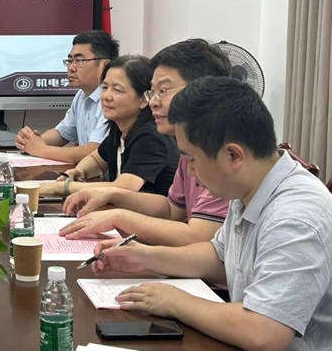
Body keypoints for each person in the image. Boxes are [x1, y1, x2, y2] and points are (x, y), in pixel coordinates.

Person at [91, 78, 332, 351]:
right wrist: (144, 256)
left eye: (192, 159)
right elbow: (220, 256)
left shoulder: (295, 217)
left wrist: (175, 301)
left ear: (234, 155)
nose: (190, 172)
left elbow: (265, 332)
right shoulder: (252, 186)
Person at [59, 39, 231, 246]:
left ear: (203, 91)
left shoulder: (222, 152)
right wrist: (114, 194)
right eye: (152, 92)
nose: (153, 102)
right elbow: (172, 210)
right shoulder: (190, 148)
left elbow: (198, 237)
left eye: (163, 91)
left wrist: (119, 217)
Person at [40, 55, 179, 197]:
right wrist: (78, 172)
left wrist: (63, 187)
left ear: (144, 99)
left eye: (117, 90)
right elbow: (96, 160)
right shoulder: (119, 129)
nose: (106, 96)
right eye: (105, 87)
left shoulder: (151, 136)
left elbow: (125, 187)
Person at [15, 30, 120, 164]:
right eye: (70, 61)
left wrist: (40, 149)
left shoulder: (111, 100)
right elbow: (61, 134)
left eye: (79, 61)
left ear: (104, 65)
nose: (71, 68)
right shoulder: (81, 95)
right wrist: (33, 141)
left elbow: (93, 151)